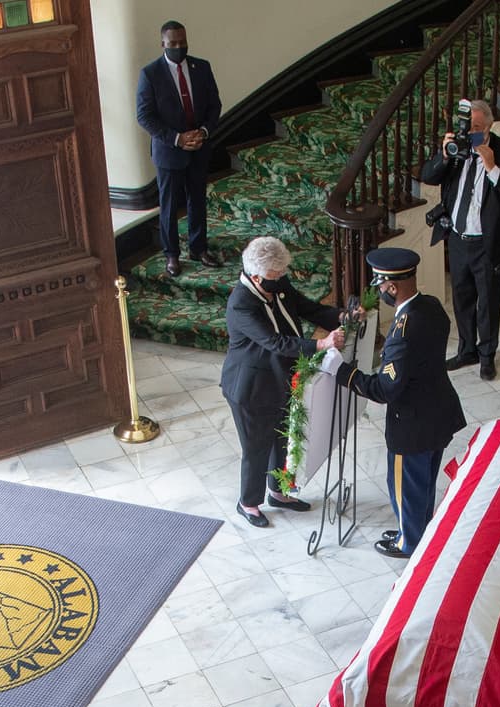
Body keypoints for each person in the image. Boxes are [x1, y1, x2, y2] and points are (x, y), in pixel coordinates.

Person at [322, 248, 466, 559]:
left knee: (406, 487)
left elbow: (387, 388)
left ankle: (409, 542)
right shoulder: (431, 307)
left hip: (412, 423)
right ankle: (418, 530)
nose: (380, 292)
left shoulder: (403, 330)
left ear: (391, 287)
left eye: (380, 287)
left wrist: (342, 371)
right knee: (423, 481)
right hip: (437, 411)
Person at [220, 237, 346, 528]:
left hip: (281, 379)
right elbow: (274, 342)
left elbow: (307, 308)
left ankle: (278, 491)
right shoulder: (241, 305)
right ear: (256, 276)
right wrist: (321, 344)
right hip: (250, 387)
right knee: (256, 447)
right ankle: (248, 503)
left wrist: (340, 315)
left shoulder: (276, 283)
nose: (280, 282)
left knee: (281, 440)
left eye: (281, 276)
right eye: (274, 278)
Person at [420, 99, 500, 381]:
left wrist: (492, 168)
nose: (471, 132)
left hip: (488, 243)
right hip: (458, 239)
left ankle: (487, 356)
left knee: (488, 303)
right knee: (462, 298)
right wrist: (444, 156)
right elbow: (428, 176)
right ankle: (467, 349)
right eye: (468, 127)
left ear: (490, 126)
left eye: (477, 128)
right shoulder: (457, 147)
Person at [136, 20, 223, 278]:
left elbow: (214, 105)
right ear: (163, 43)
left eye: (182, 42)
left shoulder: (201, 67)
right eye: (173, 43)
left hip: (199, 147)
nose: (178, 47)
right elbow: (144, 116)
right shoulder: (150, 74)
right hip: (169, 151)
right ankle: (171, 254)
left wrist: (203, 133)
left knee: (197, 200)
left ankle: (198, 248)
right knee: (170, 204)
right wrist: (177, 139)